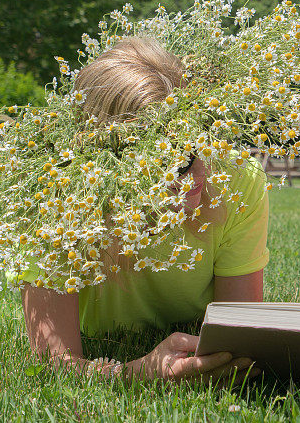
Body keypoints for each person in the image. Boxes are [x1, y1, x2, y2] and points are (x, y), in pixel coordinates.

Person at [21, 37, 270, 381]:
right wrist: (136, 372)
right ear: (109, 162)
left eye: (204, 143)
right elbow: (56, 363)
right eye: (175, 162)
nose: (199, 173)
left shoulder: (236, 181)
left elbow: (239, 334)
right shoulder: (55, 197)